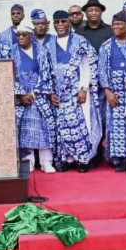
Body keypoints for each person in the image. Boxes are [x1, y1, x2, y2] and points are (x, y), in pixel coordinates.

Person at [45, 10, 102, 173]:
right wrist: (50, 93)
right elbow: (46, 70)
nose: (60, 25)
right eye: (57, 22)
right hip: (59, 93)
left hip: (78, 92)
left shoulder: (79, 41)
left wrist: (84, 88)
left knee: (81, 124)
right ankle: (67, 159)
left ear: (69, 22)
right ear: (53, 24)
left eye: (63, 21)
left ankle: (83, 159)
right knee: (62, 127)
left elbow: (87, 64)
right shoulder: (49, 44)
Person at [9, 22, 57, 173]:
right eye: (18, 35)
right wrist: (21, 95)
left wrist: (34, 93)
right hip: (20, 98)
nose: (21, 38)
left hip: (39, 96)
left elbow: (46, 74)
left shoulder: (42, 51)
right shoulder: (11, 52)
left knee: (44, 128)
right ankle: (28, 161)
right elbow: (7, 75)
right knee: (24, 129)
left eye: (24, 35)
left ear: (31, 36)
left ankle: (46, 161)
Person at [98, 12, 126, 172]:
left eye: (120, 24)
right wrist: (108, 92)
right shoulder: (106, 46)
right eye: (114, 24)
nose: (115, 27)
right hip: (115, 93)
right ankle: (120, 159)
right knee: (117, 127)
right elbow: (102, 70)